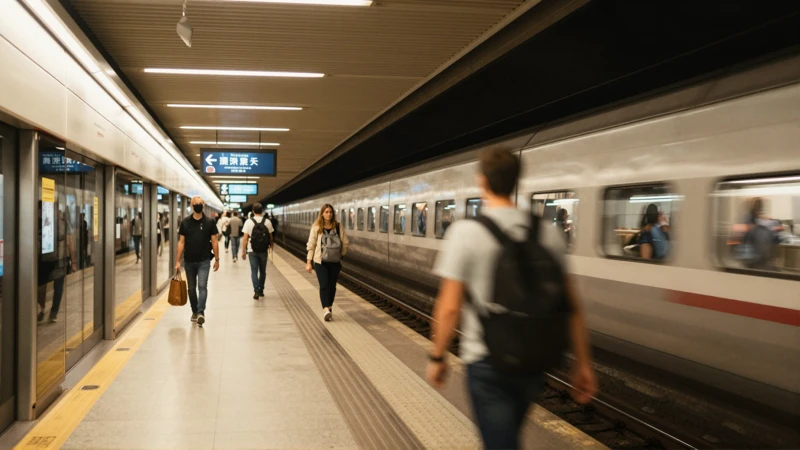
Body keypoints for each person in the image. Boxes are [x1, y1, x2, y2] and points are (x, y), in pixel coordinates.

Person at [425, 148, 597, 449]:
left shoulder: (465, 232)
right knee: (505, 437)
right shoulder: (547, 232)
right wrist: (582, 362)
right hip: (533, 358)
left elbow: (450, 306)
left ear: (482, 182)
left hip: (486, 359)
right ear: (517, 180)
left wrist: (438, 356)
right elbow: (571, 306)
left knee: (500, 442)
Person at [176, 196, 220, 326]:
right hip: (189, 261)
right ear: (191, 205)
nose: (198, 205)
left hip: (204, 260)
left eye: (200, 203)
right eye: (195, 204)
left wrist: (217, 259)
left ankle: (201, 312)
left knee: (202, 286)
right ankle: (194, 311)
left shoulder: (210, 222)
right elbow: (181, 242)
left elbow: (215, 241)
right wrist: (177, 261)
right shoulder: (185, 222)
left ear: (204, 205)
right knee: (191, 289)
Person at [305, 204, 349, 322]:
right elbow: (311, 245)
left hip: (334, 261)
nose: (329, 214)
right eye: (326, 212)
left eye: (330, 212)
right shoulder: (316, 227)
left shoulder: (338, 227)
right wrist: (309, 262)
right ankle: (325, 309)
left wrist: (340, 255)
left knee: (332, 286)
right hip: (320, 261)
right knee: (324, 285)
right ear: (322, 213)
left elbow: (345, 243)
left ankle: (329, 307)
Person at [241, 203, 274, 299]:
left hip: (252, 250)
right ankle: (261, 290)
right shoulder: (267, 222)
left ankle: (256, 290)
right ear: (262, 211)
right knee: (263, 271)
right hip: (264, 250)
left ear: (253, 211)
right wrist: (271, 248)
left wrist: (243, 251)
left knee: (254, 271)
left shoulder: (248, 222)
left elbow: (245, 238)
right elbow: (271, 238)